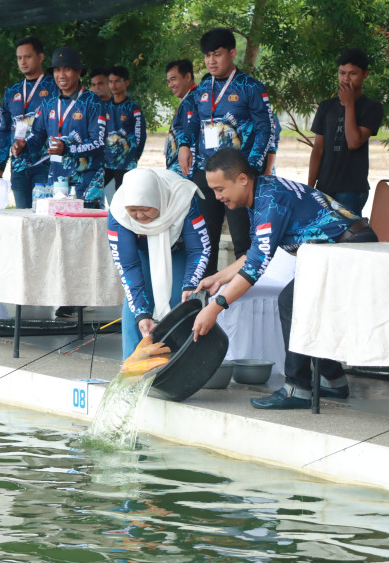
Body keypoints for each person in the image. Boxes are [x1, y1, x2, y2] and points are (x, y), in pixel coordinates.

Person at [191, 147, 378, 410]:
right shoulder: (261, 193)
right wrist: (218, 278)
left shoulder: (271, 201)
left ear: (242, 179)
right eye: (213, 190)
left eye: (220, 189)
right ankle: (333, 380)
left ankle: (298, 388)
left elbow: (255, 269)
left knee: (292, 301)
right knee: (302, 302)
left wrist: (215, 307)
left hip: (351, 248)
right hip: (341, 249)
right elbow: (256, 253)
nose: (217, 196)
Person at [190, 28, 275, 277]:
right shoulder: (203, 89)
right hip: (206, 175)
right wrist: (185, 146)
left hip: (237, 178)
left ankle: (245, 300)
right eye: (207, 56)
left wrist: (250, 168)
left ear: (232, 54)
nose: (211, 61)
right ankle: (204, 304)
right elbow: (192, 124)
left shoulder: (250, 87)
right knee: (205, 243)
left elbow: (265, 129)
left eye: (217, 54)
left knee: (243, 241)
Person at [108, 168, 211, 359]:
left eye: (145, 209)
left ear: (158, 200)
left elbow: (199, 249)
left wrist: (190, 283)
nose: (139, 216)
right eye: (133, 210)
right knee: (137, 306)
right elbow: (127, 267)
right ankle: (131, 364)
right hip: (142, 251)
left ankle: (175, 360)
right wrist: (141, 314)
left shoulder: (183, 199)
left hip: (178, 250)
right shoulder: (118, 213)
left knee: (178, 300)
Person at [14, 46, 106, 208]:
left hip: (86, 186)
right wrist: (24, 146)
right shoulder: (48, 103)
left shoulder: (92, 101)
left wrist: (67, 148)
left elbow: (98, 143)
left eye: (67, 69)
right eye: (57, 70)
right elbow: (37, 136)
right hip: (56, 184)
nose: (61, 75)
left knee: (86, 232)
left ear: (78, 72)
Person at [308, 48, 384, 215]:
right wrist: (309, 188)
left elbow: (354, 142)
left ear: (365, 74)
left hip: (352, 190)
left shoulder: (373, 108)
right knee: (320, 238)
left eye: (352, 73)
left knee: (347, 238)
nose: (346, 78)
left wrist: (349, 104)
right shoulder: (326, 106)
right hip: (324, 188)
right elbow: (318, 149)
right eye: (342, 73)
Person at [0, 36, 57, 209]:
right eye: (19, 58)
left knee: (45, 217)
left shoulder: (54, 86)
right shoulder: (12, 91)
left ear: (40, 57)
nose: (23, 62)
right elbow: (5, 131)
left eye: (27, 56)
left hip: (46, 163)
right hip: (18, 166)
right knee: (23, 217)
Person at [104, 66, 146, 191]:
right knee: (95, 193)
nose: (113, 85)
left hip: (126, 162)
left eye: (116, 81)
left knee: (122, 197)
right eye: (110, 81)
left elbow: (140, 135)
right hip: (106, 161)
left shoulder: (133, 108)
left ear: (126, 83)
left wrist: (135, 155)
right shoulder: (104, 107)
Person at [164, 59, 199, 180]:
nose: (170, 85)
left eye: (174, 79)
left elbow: (191, 138)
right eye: (168, 81)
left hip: (184, 171)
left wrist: (187, 173)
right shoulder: (187, 99)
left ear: (188, 76)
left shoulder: (191, 101)